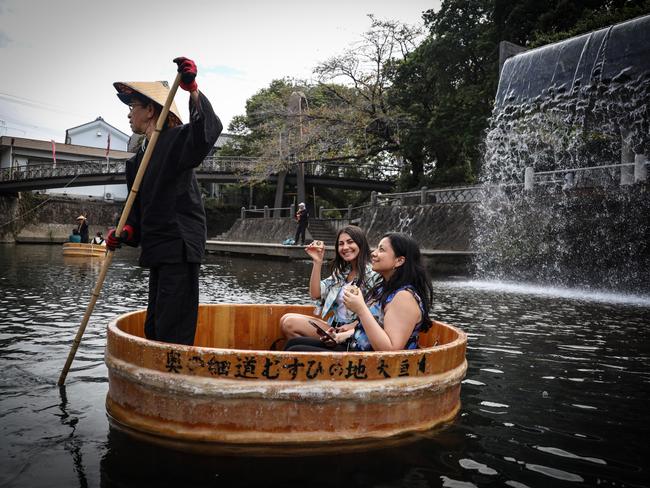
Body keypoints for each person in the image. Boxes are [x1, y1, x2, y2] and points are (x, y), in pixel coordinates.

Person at [106, 56, 222, 346]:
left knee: (173, 329)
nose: (129, 114)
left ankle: (176, 384)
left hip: (179, 245)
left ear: (150, 110)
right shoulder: (135, 163)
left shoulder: (176, 140)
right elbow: (137, 213)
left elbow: (207, 132)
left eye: (133, 107)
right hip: (157, 249)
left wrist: (192, 88)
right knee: (154, 326)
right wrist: (124, 232)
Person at [284, 232, 433, 352]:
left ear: (399, 261)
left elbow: (391, 350)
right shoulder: (382, 287)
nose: (374, 254)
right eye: (341, 244)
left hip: (369, 364)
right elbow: (316, 294)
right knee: (294, 344)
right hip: (353, 345)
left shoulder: (404, 297)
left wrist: (360, 309)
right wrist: (341, 337)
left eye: (381, 250)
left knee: (295, 349)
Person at [280, 225, 378, 345]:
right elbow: (315, 294)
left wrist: (353, 325)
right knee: (285, 319)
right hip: (333, 327)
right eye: (341, 244)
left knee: (289, 323)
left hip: (353, 332)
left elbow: (378, 311)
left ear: (361, 244)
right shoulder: (342, 272)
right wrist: (317, 262)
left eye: (350, 242)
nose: (345, 247)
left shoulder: (374, 274)